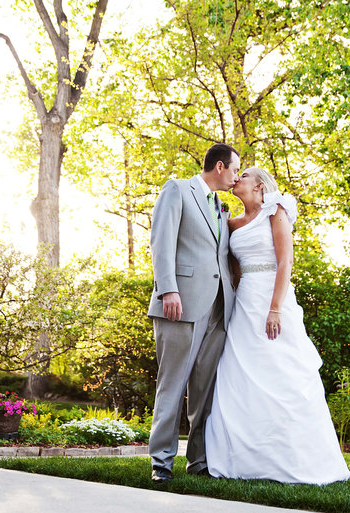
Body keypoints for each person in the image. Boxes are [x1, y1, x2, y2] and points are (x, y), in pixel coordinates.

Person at [204, 167, 350, 485]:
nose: (235, 178)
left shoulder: (276, 210)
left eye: (242, 175)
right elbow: (231, 271)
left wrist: (274, 310)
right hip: (243, 305)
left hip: (273, 300)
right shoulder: (230, 223)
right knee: (238, 374)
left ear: (258, 185)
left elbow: (285, 261)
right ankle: (243, 459)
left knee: (283, 375)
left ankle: (296, 458)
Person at [147, 143, 240, 483]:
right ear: (219, 166)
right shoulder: (177, 189)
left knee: (205, 387)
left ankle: (198, 459)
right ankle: (161, 461)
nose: (236, 177)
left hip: (218, 308)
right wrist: (168, 288)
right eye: (234, 169)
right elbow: (161, 241)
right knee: (172, 383)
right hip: (180, 303)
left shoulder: (221, 207)